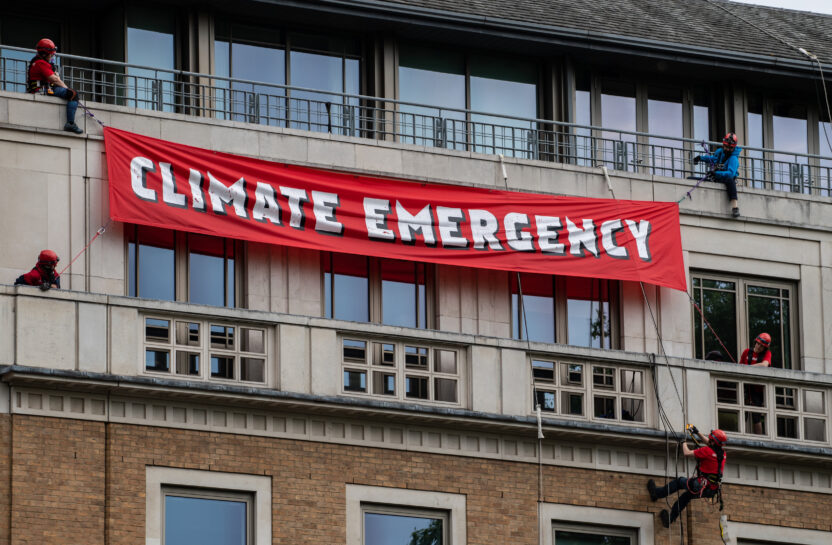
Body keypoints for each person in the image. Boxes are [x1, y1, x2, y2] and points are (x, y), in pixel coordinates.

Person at [647, 428, 727, 528]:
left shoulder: (707, 451)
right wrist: (697, 432)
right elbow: (709, 443)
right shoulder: (723, 454)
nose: (709, 441)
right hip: (712, 490)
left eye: (711, 440)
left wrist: (683, 442)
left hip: (700, 484)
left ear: (713, 442)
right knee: (685, 497)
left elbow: (687, 453)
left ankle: (657, 493)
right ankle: (670, 519)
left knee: (679, 482)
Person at [27, 38, 83, 134]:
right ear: (44, 54)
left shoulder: (39, 62)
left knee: (70, 93)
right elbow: (55, 79)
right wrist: (67, 89)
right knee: (73, 94)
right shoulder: (41, 63)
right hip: (42, 91)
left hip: (44, 89)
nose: (52, 56)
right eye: (51, 54)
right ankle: (70, 123)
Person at [694, 132, 741, 218]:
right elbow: (713, 159)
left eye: (730, 148)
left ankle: (735, 207)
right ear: (723, 145)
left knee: (730, 181)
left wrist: (715, 173)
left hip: (727, 179)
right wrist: (700, 158)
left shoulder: (733, 159)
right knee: (692, 179)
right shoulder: (721, 153)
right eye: (726, 147)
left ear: (733, 148)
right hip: (717, 177)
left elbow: (730, 173)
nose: (727, 149)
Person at [739, 333, 772, 434]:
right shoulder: (746, 352)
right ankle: (741, 434)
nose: (759, 347)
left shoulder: (767, 354)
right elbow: (739, 367)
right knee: (742, 413)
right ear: (755, 342)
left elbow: (764, 365)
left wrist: (748, 368)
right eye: (758, 344)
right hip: (745, 387)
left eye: (762, 346)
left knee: (756, 416)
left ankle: (759, 438)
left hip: (757, 389)